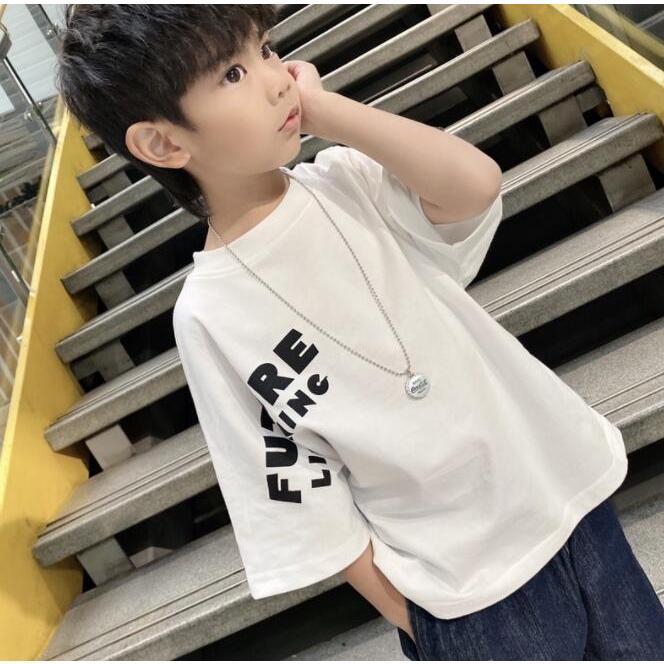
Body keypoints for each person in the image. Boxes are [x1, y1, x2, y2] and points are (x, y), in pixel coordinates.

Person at [55, 5, 664, 660]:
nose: (275, 79)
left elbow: (475, 185)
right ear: (164, 144)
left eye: (265, 49)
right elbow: (293, 487)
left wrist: (327, 112)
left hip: (568, 503)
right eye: (232, 73)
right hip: (464, 595)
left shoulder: (345, 179)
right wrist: (416, 619)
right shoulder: (212, 316)